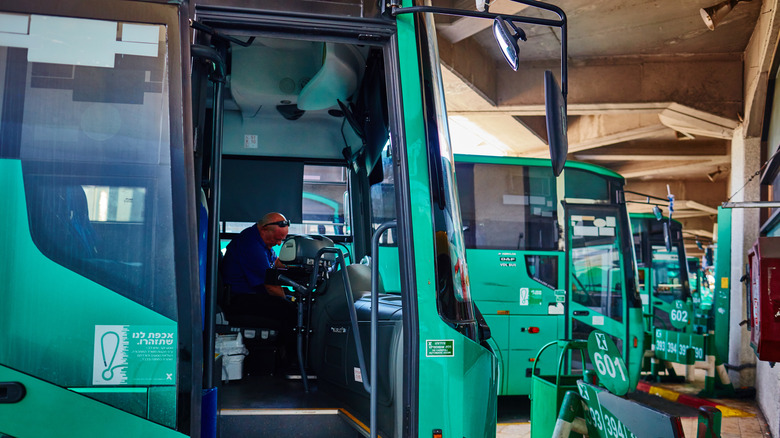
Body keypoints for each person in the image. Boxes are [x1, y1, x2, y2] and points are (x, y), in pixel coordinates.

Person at [221, 212, 297, 371]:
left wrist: (296, 267)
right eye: (277, 239)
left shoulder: (261, 241)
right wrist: (289, 300)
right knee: (291, 310)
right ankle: (291, 362)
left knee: (292, 300)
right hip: (239, 300)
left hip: (251, 295)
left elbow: (275, 262)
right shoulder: (251, 245)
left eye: (282, 240)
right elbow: (270, 286)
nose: (278, 243)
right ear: (264, 229)